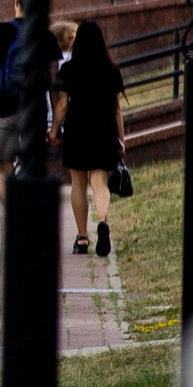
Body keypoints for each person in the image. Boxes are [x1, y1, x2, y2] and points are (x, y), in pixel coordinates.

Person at [0, 0, 62, 203]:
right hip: (35, 113)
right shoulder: (47, 38)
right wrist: (54, 127)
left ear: (16, 2)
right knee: (33, 169)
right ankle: (29, 212)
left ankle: (13, 212)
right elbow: (55, 86)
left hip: (3, 112)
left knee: (2, 169)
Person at [51, 19, 126, 258]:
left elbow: (63, 105)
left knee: (78, 184)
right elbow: (117, 110)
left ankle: (82, 238)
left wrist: (53, 131)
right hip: (104, 130)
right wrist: (121, 139)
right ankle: (102, 221)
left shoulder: (69, 69)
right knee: (100, 183)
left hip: (78, 129)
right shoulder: (111, 70)